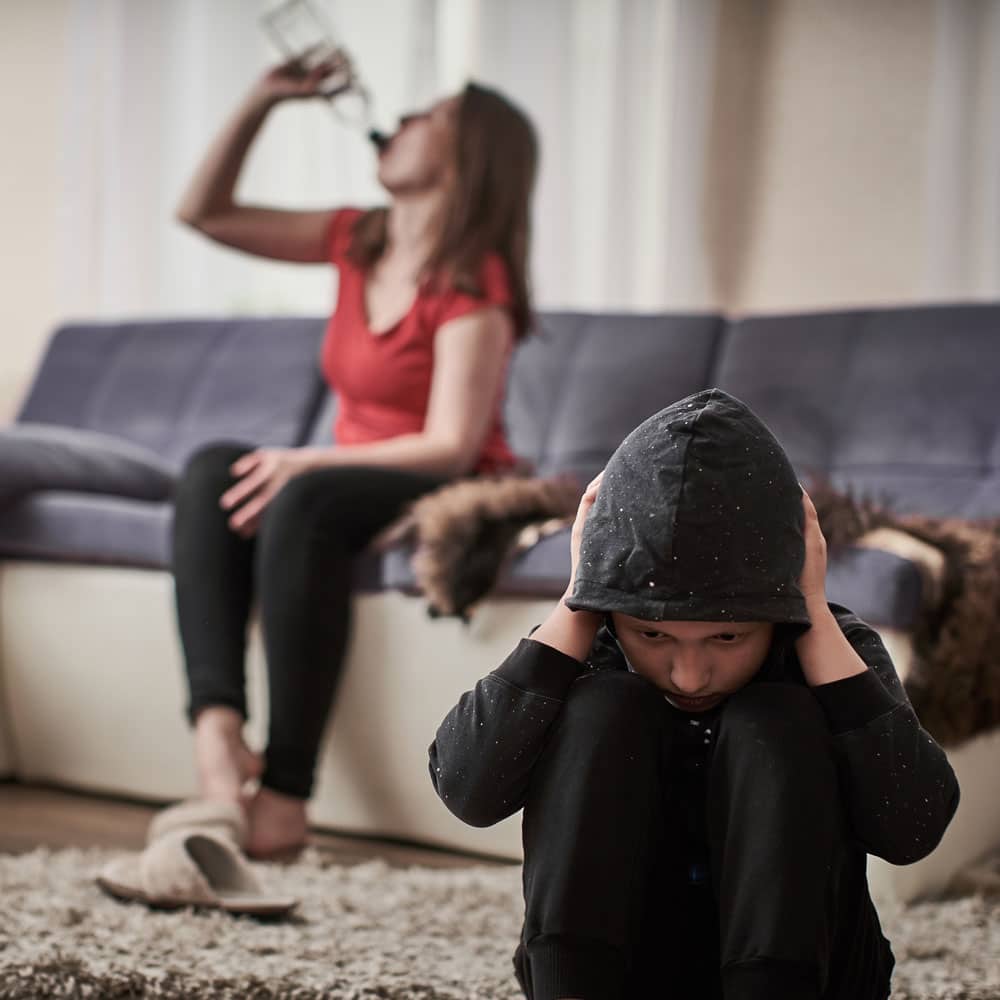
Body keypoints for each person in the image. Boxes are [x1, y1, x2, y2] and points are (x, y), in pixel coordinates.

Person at [429, 388, 960, 1000]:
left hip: (807, 971)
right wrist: (581, 600)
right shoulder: (593, 648)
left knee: (777, 715)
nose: (688, 674)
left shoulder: (824, 648)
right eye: (652, 634)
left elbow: (911, 829)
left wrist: (812, 612)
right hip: (614, 974)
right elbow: (468, 792)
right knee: (603, 705)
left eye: (727, 637)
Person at [171, 56, 538, 859]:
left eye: (427, 115)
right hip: (349, 477)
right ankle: (216, 736)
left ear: (468, 152)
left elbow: (450, 441)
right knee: (210, 472)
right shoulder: (355, 238)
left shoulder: (476, 283)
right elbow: (202, 212)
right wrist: (263, 97)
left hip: (445, 477)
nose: (401, 121)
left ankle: (285, 795)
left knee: (298, 497)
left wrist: (304, 463)